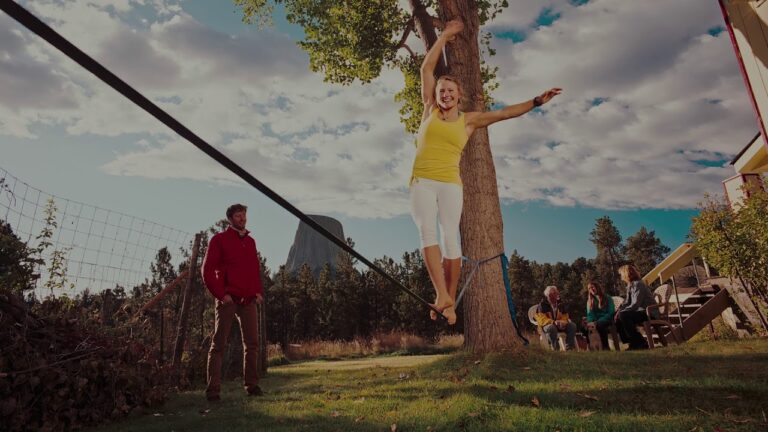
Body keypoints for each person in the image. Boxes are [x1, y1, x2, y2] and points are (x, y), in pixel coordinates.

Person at [412, 19, 561, 324]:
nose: (445, 94)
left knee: (451, 239)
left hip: (450, 183)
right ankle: (442, 295)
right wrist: (445, 36)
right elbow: (426, 69)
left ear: (459, 94)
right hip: (422, 182)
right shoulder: (428, 109)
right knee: (428, 232)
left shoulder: (468, 120)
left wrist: (535, 101)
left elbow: (504, 113)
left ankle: (450, 301)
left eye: (450, 90)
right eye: (442, 90)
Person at [202, 203, 264, 401]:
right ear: (230, 218)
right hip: (228, 300)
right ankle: (213, 391)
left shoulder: (251, 242)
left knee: (252, 344)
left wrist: (258, 291)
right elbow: (207, 270)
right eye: (238, 216)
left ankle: (252, 386)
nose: (242, 219)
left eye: (244, 215)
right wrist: (221, 295)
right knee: (219, 344)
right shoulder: (219, 240)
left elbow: (254, 268)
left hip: (248, 301)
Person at [614, 264, 657, 350]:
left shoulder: (638, 284)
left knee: (623, 315)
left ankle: (640, 342)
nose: (621, 277)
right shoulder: (630, 285)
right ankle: (632, 342)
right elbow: (627, 302)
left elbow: (635, 304)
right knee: (616, 315)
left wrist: (622, 312)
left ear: (626, 274)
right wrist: (619, 310)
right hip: (639, 311)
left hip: (648, 312)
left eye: (621, 274)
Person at [534, 285, 577, 351]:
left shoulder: (560, 304)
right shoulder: (542, 305)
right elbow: (541, 319)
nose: (557, 294)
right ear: (548, 295)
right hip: (547, 326)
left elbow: (565, 316)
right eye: (554, 293)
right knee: (551, 328)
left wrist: (563, 322)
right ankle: (556, 349)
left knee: (572, 326)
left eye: (556, 292)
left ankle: (569, 348)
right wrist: (554, 322)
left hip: (560, 325)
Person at [585, 281, 615, 350]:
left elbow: (611, 312)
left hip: (607, 319)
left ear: (597, 287)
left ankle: (605, 347)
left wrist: (599, 321)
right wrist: (591, 321)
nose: (591, 289)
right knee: (584, 328)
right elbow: (590, 314)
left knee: (600, 325)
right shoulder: (590, 301)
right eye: (589, 288)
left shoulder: (607, 298)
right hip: (595, 321)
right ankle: (591, 347)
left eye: (592, 287)